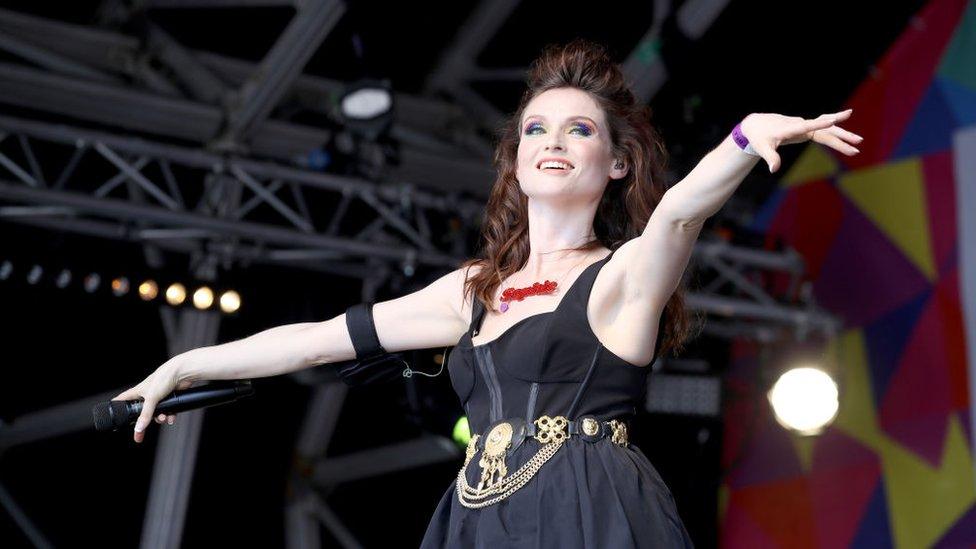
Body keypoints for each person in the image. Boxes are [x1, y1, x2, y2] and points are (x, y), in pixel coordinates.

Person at [114, 39, 861, 547]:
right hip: (481, 515)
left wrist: (742, 139)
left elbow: (682, 210)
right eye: (537, 128)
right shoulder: (472, 291)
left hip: (592, 507)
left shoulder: (625, 277)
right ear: (517, 157)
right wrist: (185, 368)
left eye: (578, 130)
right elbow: (313, 336)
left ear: (618, 164)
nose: (553, 142)